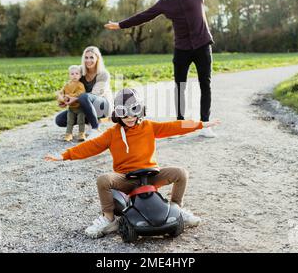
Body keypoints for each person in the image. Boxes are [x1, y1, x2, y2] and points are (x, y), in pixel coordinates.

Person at [105, 0, 265, 138]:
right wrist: (120, 24)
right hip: (182, 49)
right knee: (180, 86)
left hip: (202, 45)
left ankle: (205, 124)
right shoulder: (164, 2)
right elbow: (144, 15)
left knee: (206, 85)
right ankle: (179, 125)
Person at [45, 88, 221, 238]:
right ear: (117, 114)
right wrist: (64, 155)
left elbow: (175, 125)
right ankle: (109, 220)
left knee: (180, 173)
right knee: (103, 180)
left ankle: (176, 209)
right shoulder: (112, 133)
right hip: (126, 179)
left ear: (140, 110)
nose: (129, 117)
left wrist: (201, 124)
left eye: (133, 111)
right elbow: (91, 146)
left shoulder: (149, 127)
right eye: (124, 113)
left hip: (151, 175)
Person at [55, 46, 113, 140]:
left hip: (102, 106)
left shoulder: (103, 74)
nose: (88, 60)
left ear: (97, 58)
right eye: (86, 57)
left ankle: (95, 128)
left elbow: (96, 94)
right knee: (60, 120)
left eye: (91, 57)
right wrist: (64, 99)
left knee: (83, 97)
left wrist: (76, 99)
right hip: (85, 104)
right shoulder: (80, 71)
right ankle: (90, 121)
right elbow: (70, 87)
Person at [56, 65, 86, 142]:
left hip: (80, 108)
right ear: (69, 75)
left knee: (80, 120)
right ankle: (68, 134)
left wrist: (69, 96)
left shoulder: (80, 85)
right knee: (70, 121)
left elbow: (80, 93)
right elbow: (61, 92)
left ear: (80, 75)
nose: (74, 75)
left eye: (77, 73)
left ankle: (81, 133)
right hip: (71, 108)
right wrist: (61, 99)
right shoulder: (67, 85)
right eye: (72, 74)